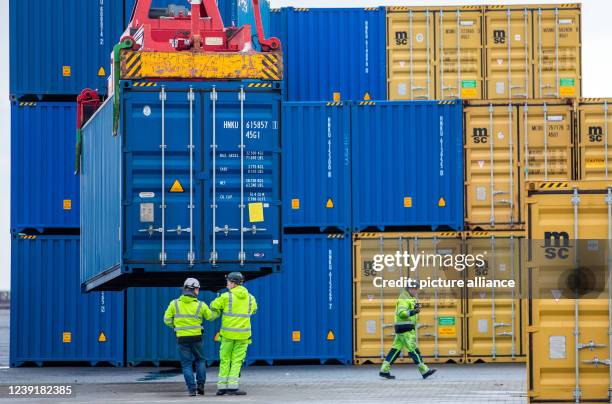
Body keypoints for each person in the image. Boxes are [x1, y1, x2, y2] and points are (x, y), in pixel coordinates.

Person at [164, 278, 214, 396]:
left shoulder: (174, 303)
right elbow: (210, 317)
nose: (198, 291)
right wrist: (217, 309)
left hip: (181, 338)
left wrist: (176, 326)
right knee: (200, 360)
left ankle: (192, 390)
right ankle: (200, 386)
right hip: (197, 338)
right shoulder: (200, 305)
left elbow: (166, 320)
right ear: (195, 289)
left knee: (186, 363)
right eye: (198, 289)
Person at [209, 272, 257, 396]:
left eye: (228, 281)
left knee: (225, 360)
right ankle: (232, 388)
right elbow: (254, 310)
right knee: (237, 361)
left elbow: (213, 305)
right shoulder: (250, 298)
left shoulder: (226, 297)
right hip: (243, 336)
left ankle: (221, 388)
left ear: (233, 283)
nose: (227, 283)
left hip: (227, 336)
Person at [379, 286, 437, 380]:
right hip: (405, 328)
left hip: (403, 328)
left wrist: (415, 308)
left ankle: (384, 370)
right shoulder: (403, 299)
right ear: (408, 289)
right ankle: (424, 370)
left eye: (416, 289)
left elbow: (409, 310)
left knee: (395, 349)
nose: (415, 290)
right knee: (413, 350)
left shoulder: (410, 298)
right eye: (413, 289)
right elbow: (402, 313)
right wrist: (414, 311)